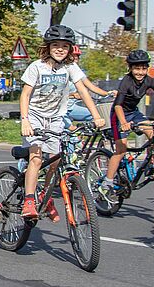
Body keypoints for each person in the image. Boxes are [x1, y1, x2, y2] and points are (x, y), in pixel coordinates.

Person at [19, 25, 106, 220]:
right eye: (55, 45)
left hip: (56, 118)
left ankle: (46, 195)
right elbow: (25, 94)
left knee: (56, 160)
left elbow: (83, 91)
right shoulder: (36, 67)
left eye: (65, 46)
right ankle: (29, 200)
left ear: (70, 49)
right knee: (36, 157)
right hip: (34, 116)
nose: (60, 49)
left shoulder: (70, 67)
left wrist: (96, 115)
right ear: (48, 47)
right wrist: (25, 121)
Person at [100, 49, 154, 193]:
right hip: (118, 115)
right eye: (136, 68)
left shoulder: (148, 80)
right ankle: (107, 181)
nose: (140, 72)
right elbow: (118, 105)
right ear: (130, 68)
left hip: (134, 113)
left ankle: (151, 163)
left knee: (152, 133)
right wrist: (123, 123)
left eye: (143, 68)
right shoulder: (126, 82)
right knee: (121, 150)